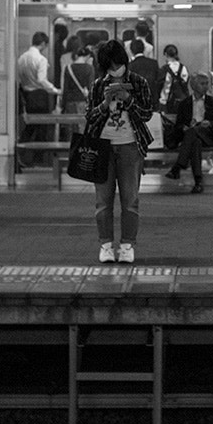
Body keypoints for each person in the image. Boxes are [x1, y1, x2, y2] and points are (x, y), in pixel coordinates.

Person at [85, 40, 154, 264]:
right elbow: (90, 117)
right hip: (102, 147)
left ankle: (127, 245)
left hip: (131, 146)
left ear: (125, 62)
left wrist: (128, 100)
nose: (115, 70)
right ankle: (105, 245)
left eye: (118, 64)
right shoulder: (97, 85)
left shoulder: (139, 82)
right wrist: (105, 104)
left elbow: (146, 114)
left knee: (130, 199)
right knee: (103, 200)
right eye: (110, 66)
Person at [164, 72, 213, 193]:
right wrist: (184, 127)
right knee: (194, 141)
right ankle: (198, 182)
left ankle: (178, 166)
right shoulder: (184, 104)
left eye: (207, 83)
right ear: (194, 86)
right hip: (192, 137)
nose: (206, 86)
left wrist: (210, 123)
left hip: (207, 135)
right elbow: (178, 125)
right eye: (203, 84)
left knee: (193, 132)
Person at [16, 31, 61, 166]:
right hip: (40, 96)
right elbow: (41, 80)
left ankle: (21, 154)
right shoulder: (41, 59)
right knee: (42, 129)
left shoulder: (22, 58)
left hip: (26, 95)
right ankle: (38, 159)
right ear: (42, 44)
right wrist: (54, 89)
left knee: (30, 127)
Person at [58, 41, 95, 140]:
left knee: (70, 128)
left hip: (70, 101)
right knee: (82, 128)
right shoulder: (90, 68)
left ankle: (69, 150)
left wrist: (63, 104)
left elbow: (65, 89)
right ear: (87, 56)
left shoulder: (68, 68)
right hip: (83, 101)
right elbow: (91, 87)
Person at [158, 44, 190, 125]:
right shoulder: (183, 68)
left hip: (166, 101)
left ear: (165, 54)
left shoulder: (164, 69)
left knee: (168, 125)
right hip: (181, 101)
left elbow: (159, 85)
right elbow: (185, 83)